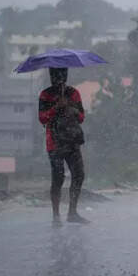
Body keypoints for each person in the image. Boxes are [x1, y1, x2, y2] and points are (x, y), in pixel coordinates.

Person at [38, 67, 89, 225]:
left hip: (72, 141)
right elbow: (42, 118)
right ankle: (56, 216)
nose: (59, 79)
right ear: (51, 76)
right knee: (58, 178)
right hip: (54, 143)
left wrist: (69, 107)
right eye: (55, 75)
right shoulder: (45, 95)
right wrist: (56, 108)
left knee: (79, 175)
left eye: (61, 75)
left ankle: (72, 212)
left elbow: (81, 117)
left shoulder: (73, 93)